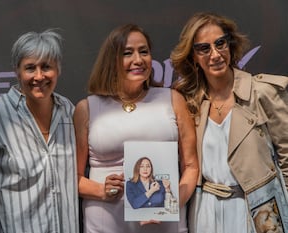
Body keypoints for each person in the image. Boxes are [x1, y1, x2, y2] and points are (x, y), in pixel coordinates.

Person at [74, 23, 198, 233]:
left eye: (144, 51)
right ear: (111, 60)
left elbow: (191, 166)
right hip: (105, 225)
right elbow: (72, 178)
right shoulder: (86, 108)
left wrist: (171, 203)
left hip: (165, 225)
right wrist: (102, 190)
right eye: (127, 53)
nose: (138, 60)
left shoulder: (173, 100)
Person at [170, 12, 288, 233]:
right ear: (193, 56)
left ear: (230, 45)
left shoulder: (261, 92)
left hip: (257, 211)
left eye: (220, 43)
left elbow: (287, 156)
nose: (215, 54)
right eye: (204, 48)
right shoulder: (189, 102)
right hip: (204, 210)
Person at [0, 29, 79, 233]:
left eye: (46, 67)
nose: (39, 76)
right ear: (17, 71)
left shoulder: (69, 111)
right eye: (30, 68)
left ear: (58, 69)